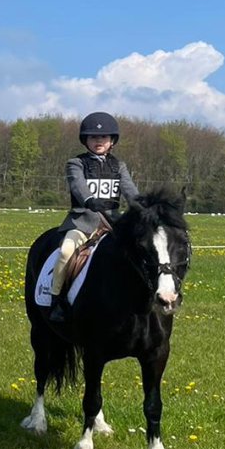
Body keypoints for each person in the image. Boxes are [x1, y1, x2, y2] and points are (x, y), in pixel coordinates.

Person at [48, 111, 140, 322]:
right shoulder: (76, 163)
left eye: (103, 137)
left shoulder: (119, 166)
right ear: (86, 140)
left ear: (111, 141)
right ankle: (57, 299)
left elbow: (131, 191)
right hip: (83, 222)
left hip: (112, 223)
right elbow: (78, 186)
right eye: (93, 137)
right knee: (65, 252)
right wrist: (90, 200)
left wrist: (143, 207)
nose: (99, 141)